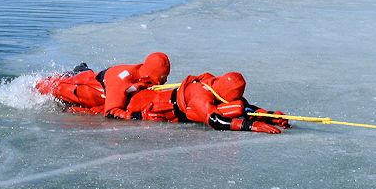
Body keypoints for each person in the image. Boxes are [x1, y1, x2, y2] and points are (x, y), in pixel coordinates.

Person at [126, 72, 291, 134]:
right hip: (140, 105)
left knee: (238, 108)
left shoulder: (216, 87)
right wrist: (253, 126)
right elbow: (216, 121)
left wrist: (269, 116)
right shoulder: (200, 96)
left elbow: (242, 106)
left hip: (170, 107)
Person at [35, 52, 171, 119]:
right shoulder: (122, 81)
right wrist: (140, 116)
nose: (165, 82)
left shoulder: (142, 74)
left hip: (94, 80)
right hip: (77, 86)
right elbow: (111, 112)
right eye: (163, 78)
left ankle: (82, 69)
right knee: (43, 87)